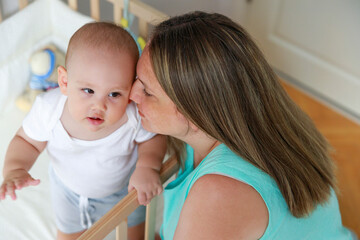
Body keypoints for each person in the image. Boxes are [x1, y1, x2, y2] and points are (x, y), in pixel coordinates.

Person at [129, 11, 356, 240]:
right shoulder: (272, 122)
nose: (132, 94)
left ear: (194, 113)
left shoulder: (218, 194)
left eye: (147, 91)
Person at [0, 22, 166, 240]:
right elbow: (27, 141)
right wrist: (15, 168)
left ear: (131, 90)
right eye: (88, 90)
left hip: (124, 188)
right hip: (68, 193)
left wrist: (147, 166)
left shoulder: (132, 115)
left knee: (136, 236)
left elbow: (153, 138)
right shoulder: (48, 109)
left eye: (114, 94)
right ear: (65, 82)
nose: (99, 105)